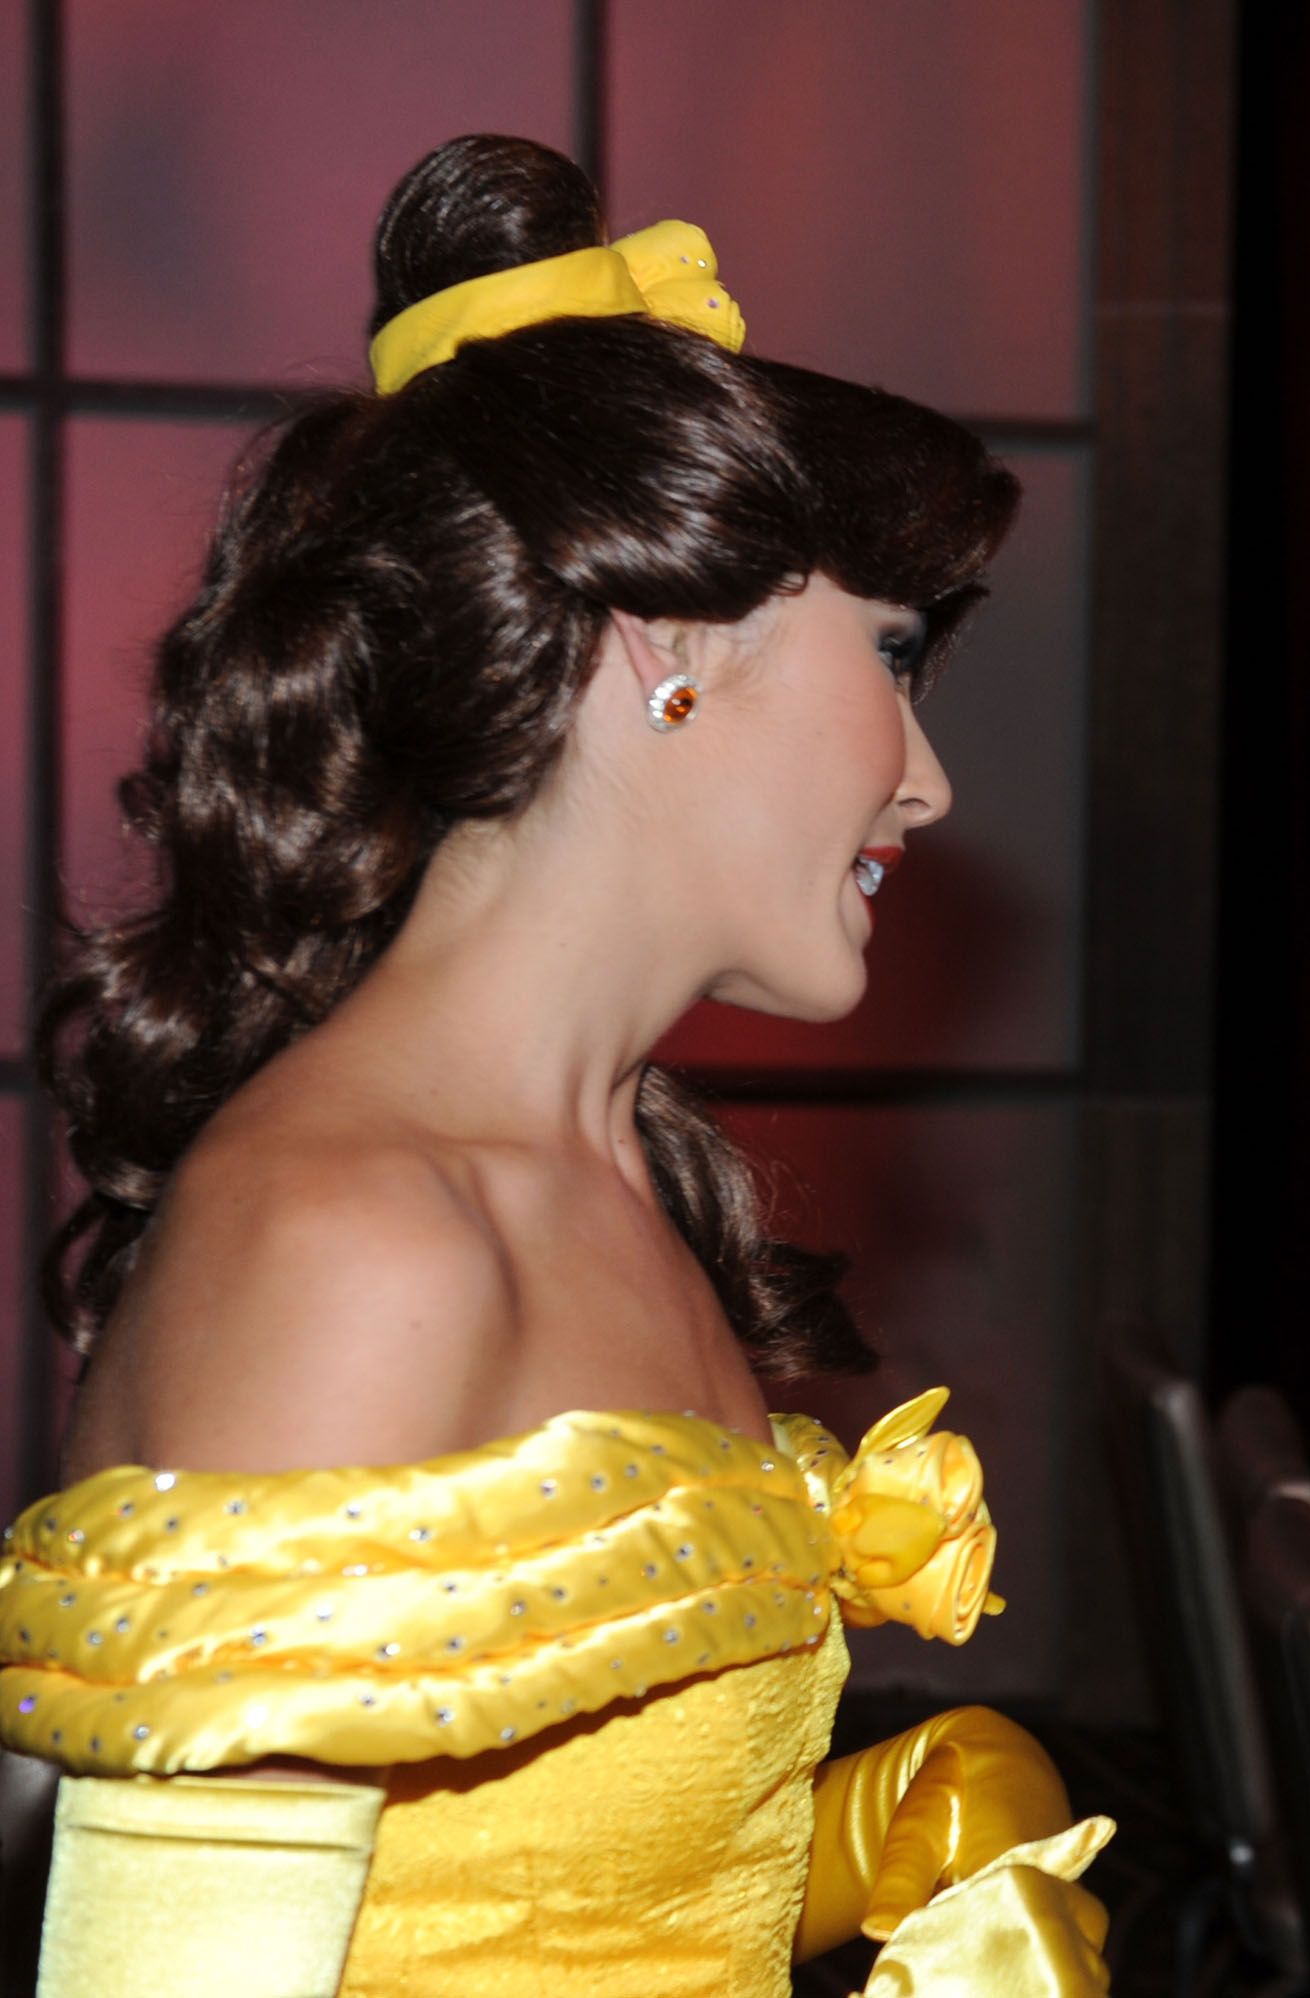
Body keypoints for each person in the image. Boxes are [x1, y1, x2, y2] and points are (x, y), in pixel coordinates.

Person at [0, 136, 1109, 1997]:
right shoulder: (355, 1233)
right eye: (896, 657)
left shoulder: (621, 1178)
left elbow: (559, 1880)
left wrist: (892, 1825)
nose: (925, 779)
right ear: (664, 638)